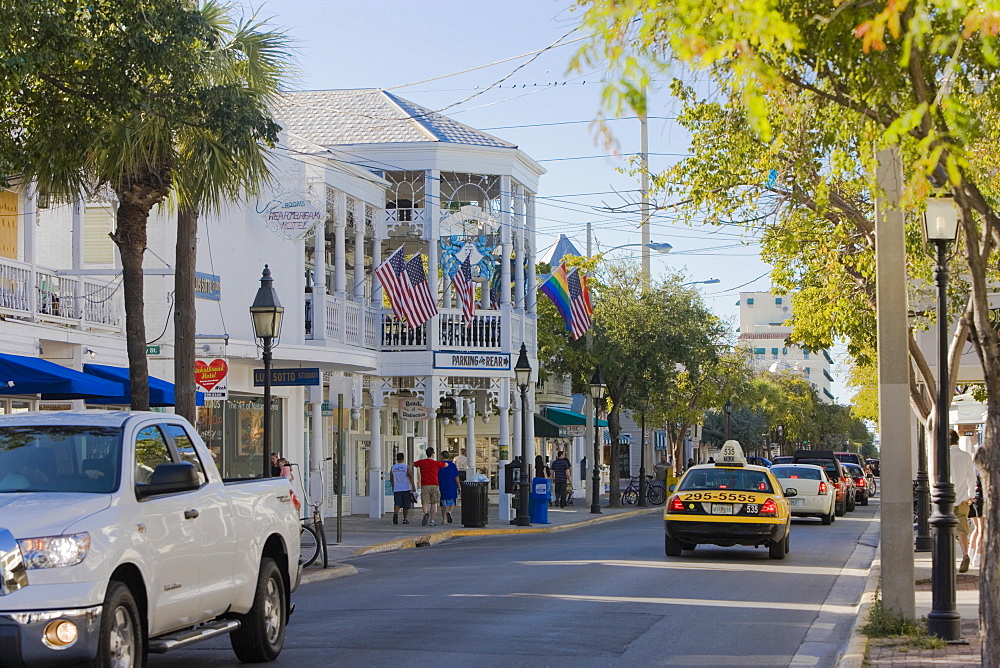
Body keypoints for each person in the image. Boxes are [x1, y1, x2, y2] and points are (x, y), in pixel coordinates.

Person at [949, 430, 977, 573]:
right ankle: (965, 554)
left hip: (946, 498)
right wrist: (971, 495)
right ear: (957, 440)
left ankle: (947, 558)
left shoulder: (943, 456)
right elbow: (971, 477)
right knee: (962, 529)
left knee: (945, 528)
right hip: (962, 497)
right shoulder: (965, 456)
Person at [413, 447, 447, 526]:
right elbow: (446, 464)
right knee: (433, 503)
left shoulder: (422, 462)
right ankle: (432, 520)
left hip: (424, 484)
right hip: (434, 484)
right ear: (432, 454)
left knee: (424, 502)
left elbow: (414, 464)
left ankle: (425, 513)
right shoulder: (436, 463)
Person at [390, 452, 415, 525]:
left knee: (397, 503)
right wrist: (413, 486)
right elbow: (410, 476)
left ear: (397, 459)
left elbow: (391, 478)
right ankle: (405, 519)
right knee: (406, 505)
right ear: (403, 458)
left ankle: (396, 513)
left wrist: (393, 485)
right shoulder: (406, 467)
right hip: (405, 488)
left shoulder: (393, 467)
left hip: (397, 488)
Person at [437, 451, 461, 524]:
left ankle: (444, 519)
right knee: (453, 501)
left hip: (442, 485)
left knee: (443, 503)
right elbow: (456, 476)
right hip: (452, 485)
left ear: (442, 456)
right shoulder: (453, 465)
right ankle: (449, 512)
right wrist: (459, 486)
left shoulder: (439, 465)